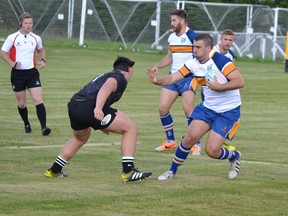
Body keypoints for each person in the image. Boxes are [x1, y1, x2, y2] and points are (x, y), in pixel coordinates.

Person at [147, 34, 244, 180]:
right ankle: (171, 172)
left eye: (198, 47)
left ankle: (234, 156)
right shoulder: (193, 64)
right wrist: (157, 80)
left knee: (211, 150)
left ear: (208, 48)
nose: (194, 50)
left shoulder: (220, 60)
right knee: (189, 138)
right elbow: (173, 77)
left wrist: (220, 86)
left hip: (227, 111)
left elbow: (239, 81)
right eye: (193, 47)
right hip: (207, 108)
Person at [44, 56, 152, 182]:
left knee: (80, 138)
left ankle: (54, 170)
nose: (130, 77)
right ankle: (128, 171)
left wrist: (100, 125)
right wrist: (98, 109)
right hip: (90, 107)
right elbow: (107, 87)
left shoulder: (106, 75)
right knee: (130, 127)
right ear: (125, 70)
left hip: (74, 106)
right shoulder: (119, 78)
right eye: (131, 73)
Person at [149, 9, 201, 155]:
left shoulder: (193, 36)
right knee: (163, 108)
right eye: (171, 20)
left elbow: (202, 55)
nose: (171, 23)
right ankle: (171, 141)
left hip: (188, 77)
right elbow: (170, 57)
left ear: (182, 21)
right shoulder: (172, 37)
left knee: (187, 110)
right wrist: (158, 66)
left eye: (174, 20)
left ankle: (196, 143)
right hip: (173, 76)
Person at [0, 12, 51, 135]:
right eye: (26, 23)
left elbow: (41, 50)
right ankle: (26, 124)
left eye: (30, 23)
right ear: (21, 23)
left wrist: (43, 60)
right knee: (22, 103)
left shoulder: (36, 38)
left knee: (38, 99)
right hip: (18, 74)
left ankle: (44, 128)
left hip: (32, 73)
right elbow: (3, 53)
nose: (28, 26)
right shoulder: (13, 37)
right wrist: (12, 63)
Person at [213, 29, 236, 151]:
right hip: (211, 90)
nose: (227, 42)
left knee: (229, 117)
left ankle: (220, 141)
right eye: (225, 39)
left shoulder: (231, 55)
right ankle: (196, 142)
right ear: (221, 40)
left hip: (223, 91)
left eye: (230, 40)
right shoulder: (212, 52)